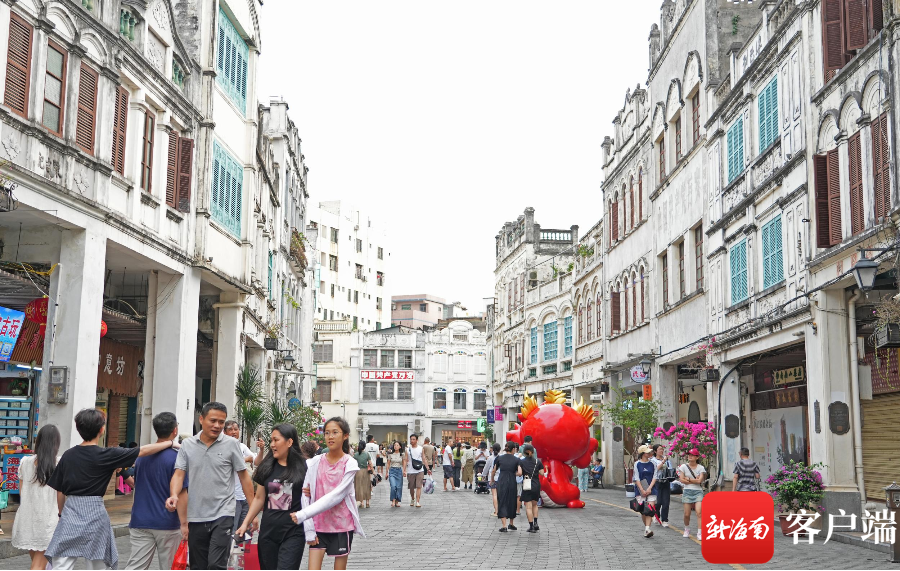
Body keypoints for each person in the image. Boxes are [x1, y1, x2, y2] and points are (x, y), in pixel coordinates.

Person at [46, 409, 177, 570]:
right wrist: (170, 443)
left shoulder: (68, 455)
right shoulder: (107, 454)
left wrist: (61, 513)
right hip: (95, 511)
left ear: (78, 429)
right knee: (98, 561)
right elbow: (142, 451)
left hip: (71, 510)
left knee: (62, 561)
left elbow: (60, 490)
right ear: (102, 429)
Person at [166, 402, 254, 570]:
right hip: (196, 514)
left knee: (216, 565)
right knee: (198, 566)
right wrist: (174, 495)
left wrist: (252, 512)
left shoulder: (231, 444)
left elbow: (244, 477)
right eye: (213, 420)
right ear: (201, 419)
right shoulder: (188, 445)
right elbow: (178, 474)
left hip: (223, 513)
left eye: (221, 422)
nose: (217, 426)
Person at [291, 417, 365, 571]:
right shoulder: (314, 462)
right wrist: (309, 528)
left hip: (342, 525)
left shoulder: (349, 463)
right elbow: (306, 495)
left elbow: (337, 495)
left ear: (345, 435)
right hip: (319, 525)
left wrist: (303, 514)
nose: (330, 437)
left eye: (335, 432)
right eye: (327, 433)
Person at [237, 424, 308, 570]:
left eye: (276, 440)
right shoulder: (267, 467)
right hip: (269, 533)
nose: (272, 444)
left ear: (289, 442)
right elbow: (259, 499)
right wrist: (245, 524)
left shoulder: (304, 467)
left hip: (293, 533)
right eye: (271, 440)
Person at [124, 412, 189, 571]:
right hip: (167, 522)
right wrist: (184, 524)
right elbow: (181, 493)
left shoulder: (142, 457)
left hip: (140, 520)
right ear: (175, 430)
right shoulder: (177, 458)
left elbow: (138, 484)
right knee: (170, 567)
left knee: (136, 566)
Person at [12, 424, 60, 571]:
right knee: (39, 565)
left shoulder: (25, 462)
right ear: (56, 443)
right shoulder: (59, 463)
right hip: (47, 521)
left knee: (38, 562)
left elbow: (22, 492)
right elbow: (61, 495)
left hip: (26, 519)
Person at [224, 420, 256, 536]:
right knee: (232, 531)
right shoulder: (223, 448)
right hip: (232, 497)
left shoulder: (242, 446)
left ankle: (241, 554)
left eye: (236, 429)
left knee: (245, 531)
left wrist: (260, 451)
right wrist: (245, 459)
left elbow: (255, 459)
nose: (234, 432)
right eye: (230, 429)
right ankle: (229, 554)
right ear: (224, 432)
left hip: (244, 496)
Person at [491, 441, 522, 532]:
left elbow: (493, 471)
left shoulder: (499, 458)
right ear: (513, 449)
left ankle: (504, 526)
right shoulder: (517, 460)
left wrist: (492, 479)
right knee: (512, 500)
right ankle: (511, 524)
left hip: (502, 481)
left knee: (502, 500)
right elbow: (520, 473)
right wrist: (513, 474)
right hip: (512, 481)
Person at [678, 448, 706, 541]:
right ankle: (687, 528)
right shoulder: (683, 467)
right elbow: (681, 480)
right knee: (687, 514)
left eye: (692, 455)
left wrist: (688, 479)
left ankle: (699, 532)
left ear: (697, 457)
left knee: (699, 512)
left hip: (698, 492)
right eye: (689, 454)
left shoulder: (701, 468)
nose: (690, 456)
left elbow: (699, 481)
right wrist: (693, 481)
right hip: (687, 491)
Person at [633, 445, 658, 538]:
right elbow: (636, 478)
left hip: (651, 488)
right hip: (640, 488)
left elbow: (655, 476)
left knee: (650, 508)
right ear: (643, 454)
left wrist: (650, 488)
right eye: (648, 452)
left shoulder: (653, 464)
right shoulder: (637, 464)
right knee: (643, 511)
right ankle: (646, 528)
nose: (650, 453)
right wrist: (642, 489)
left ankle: (647, 528)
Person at [518, 444, 544, 533]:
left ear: (524, 452)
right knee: (535, 505)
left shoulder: (521, 462)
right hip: (536, 485)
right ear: (533, 452)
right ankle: (536, 523)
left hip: (527, 485)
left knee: (528, 507)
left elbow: (520, 473)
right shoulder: (538, 462)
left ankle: (531, 526)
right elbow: (542, 473)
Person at [651, 444, 672, 528]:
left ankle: (665, 520)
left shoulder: (667, 460)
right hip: (657, 482)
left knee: (666, 502)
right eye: (659, 449)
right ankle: (656, 515)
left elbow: (670, 470)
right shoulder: (652, 460)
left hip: (666, 482)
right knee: (658, 502)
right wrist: (663, 461)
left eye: (662, 449)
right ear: (655, 451)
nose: (661, 451)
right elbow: (656, 469)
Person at [404, 434, 425, 507]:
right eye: (411, 439)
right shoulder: (407, 449)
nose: (412, 441)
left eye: (413, 439)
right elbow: (405, 460)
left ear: (417, 440)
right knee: (412, 487)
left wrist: (428, 468)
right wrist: (404, 470)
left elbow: (423, 458)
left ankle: (417, 501)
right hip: (411, 470)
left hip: (420, 470)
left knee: (419, 486)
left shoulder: (421, 448)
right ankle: (412, 498)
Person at [482, 442, 502, 516]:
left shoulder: (490, 458)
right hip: (501, 478)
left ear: (492, 450)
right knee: (500, 495)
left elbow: (486, 468)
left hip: (492, 478)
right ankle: (500, 510)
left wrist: (484, 475)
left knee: (494, 495)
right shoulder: (502, 457)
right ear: (500, 450)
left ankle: (496, 511)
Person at [352, 441, 372, 509]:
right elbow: (370, 463)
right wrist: (373, 472)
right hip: (366, 471)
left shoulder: (356, 455)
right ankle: (367, 502)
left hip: (358, 472)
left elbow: (353, 464)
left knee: (359, 487)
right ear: (364, 446)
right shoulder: (367, 454)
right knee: (366, 486)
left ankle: (361, 502)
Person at [386, 440, 404, 507]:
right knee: (393, 486)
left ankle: (397, 501)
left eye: (397, 445)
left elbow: (404, 463)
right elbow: (388, 463)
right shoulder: (390, 454)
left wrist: (404, 471)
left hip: (399, 471)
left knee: (399, 487)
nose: (395, 446)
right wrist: (387, 472)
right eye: (394, 445)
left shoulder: (402, 455)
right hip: (392, 470)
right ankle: (393, 500)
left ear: (400, 447)